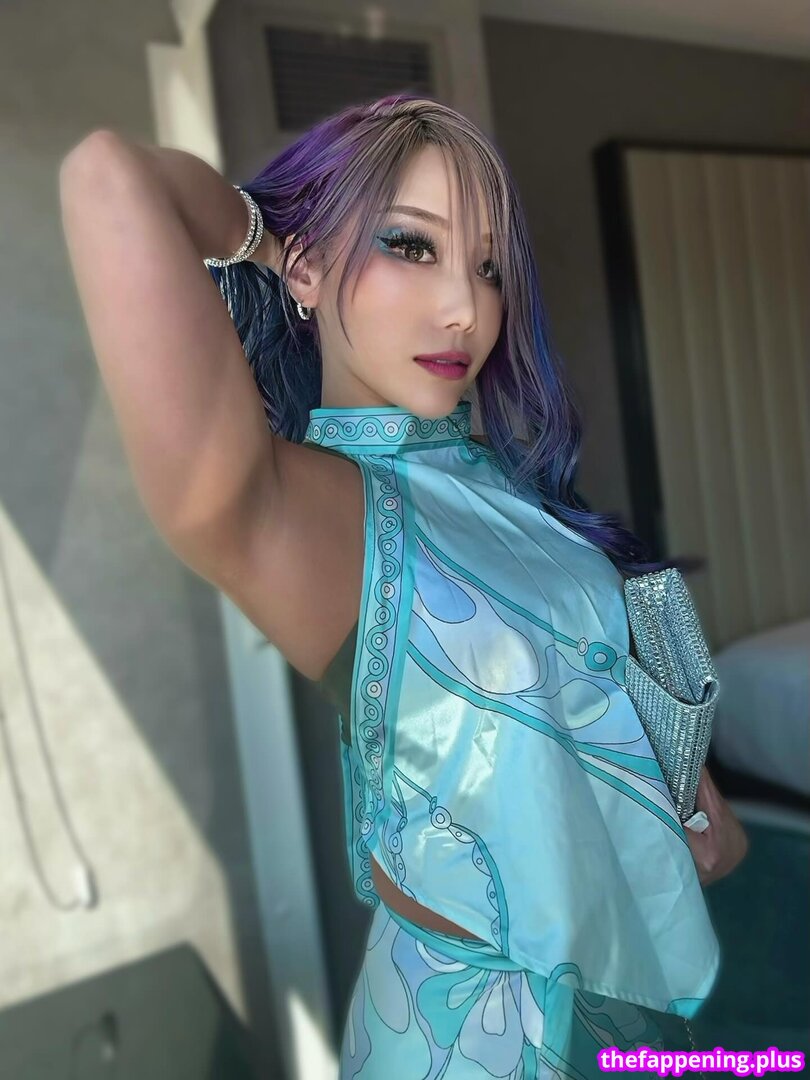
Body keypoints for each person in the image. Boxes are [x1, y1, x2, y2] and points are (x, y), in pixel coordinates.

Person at [60, 93, 747, 1078]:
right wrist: (271, 242)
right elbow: (106, 175)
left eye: (488, 266)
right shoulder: (309, 513)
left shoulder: (496, 477)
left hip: (627, 1000)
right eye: (411, 245)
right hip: (470, 1040)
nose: (466, 307)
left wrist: (678, 803)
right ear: (308, 267)